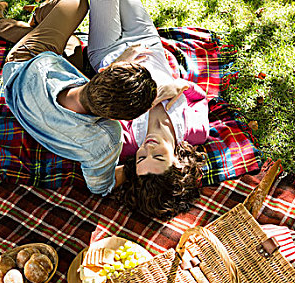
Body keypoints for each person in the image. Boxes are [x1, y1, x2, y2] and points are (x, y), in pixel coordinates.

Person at [0, 0, 158, 196]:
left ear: (102, 71)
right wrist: (138, 169)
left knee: (79, 3)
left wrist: (118, 64)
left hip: (23, 71)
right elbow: (101, 187)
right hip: (29, 103)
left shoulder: (43, 68)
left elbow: (45, 59)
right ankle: (38, 21)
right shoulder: (107, 140)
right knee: (73, 46)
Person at [86, 0, 211, 219]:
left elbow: (104, 99)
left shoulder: (127, 143)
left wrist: (150, 98)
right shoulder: (196, 131)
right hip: (148, 43)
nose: (147, 148)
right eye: (159, 156)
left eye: (142, 158)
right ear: (179, 163)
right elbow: (199, 97)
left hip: (109, 52)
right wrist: (178, 86)